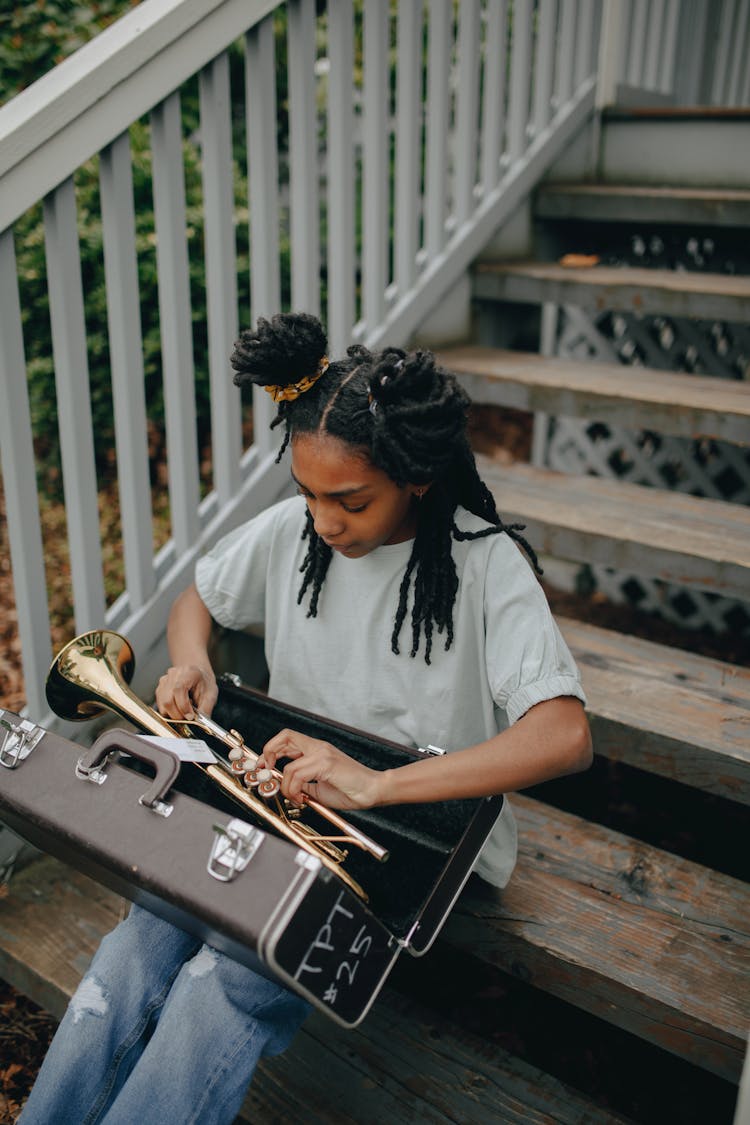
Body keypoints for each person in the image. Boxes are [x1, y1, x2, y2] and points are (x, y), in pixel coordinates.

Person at [21, 312, 591, 1124]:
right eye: (309, 494)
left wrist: (377, 782)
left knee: (225, 980)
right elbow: (198, 599)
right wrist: (193, 661)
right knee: (134, 951)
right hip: (290, 806)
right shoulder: (300, 530)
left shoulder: (482, 562)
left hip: (413, 840)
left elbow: (565, 734)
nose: (324, 521)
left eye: (351, 501)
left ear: (417, 477)